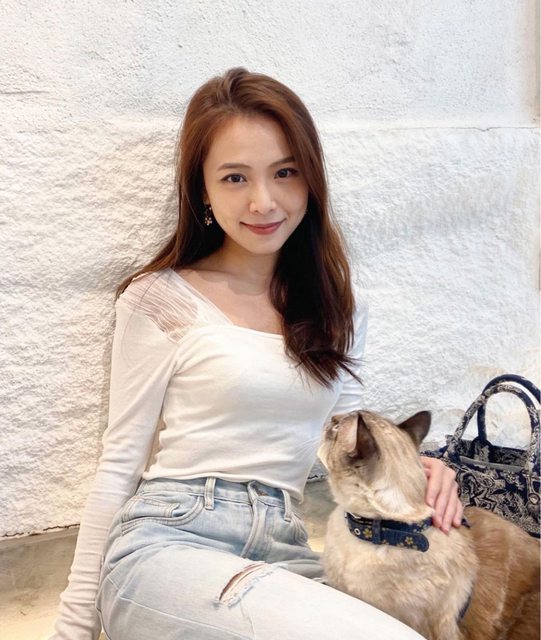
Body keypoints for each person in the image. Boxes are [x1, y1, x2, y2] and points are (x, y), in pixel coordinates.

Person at [50, 68, 463, 640]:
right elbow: (119, 462)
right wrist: (73, 628)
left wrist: (419, 468)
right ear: (203, 190)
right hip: (169, 544)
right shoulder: (161, 299)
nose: (263, 201)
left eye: (285, 172)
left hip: (285, 549)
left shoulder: (340, 307)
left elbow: (347, 437)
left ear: (310, 179)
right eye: (235, 177)